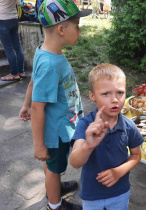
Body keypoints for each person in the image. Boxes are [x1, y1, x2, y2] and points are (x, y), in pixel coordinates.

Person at [18, 0, 91, 209]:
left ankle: (55, 187)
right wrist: (38, 144)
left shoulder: (45, 51)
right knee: (53, 168)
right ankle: (55, 204)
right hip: (56, 132)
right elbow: (38, 108)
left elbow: (33, 81)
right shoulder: (51, 63)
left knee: (52, 165)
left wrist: (25, 103)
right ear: (61, 29)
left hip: (61, 124)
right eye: (77, 26)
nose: (80, 30)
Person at [69, 63, 144, 210]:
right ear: (92, 96)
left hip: (120, 193)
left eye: (120, 93)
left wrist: (119, 172)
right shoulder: (85, 125)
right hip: (92, 195)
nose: (115, 99)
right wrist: (88, 146)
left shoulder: (129, 126)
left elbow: (136, 155)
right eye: (106, 94)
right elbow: (75, 162)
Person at [0, 0, 26, 81]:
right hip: (14, 19)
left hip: (3, 20)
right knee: (17, 46)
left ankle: (14, 74)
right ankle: (21, 72)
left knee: (9, 49)